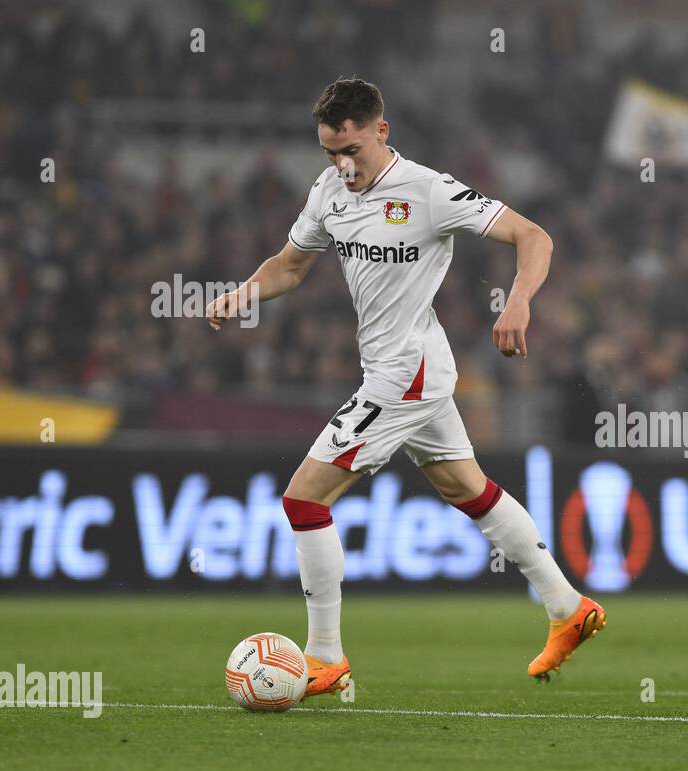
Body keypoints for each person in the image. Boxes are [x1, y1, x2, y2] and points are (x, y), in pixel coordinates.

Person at [206, 77, 605, 693]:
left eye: (352, 151)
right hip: (398, 365)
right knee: (465, 487)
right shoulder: (328, 192)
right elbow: (290, 265)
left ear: (381, 132)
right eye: (330, 153)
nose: (343, 165)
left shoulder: (428, 190)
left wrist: (518, 301)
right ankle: (567, 606)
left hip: (408, 369)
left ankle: (325, 657)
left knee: (304, 499)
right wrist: (242, 293)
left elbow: (534, 236)